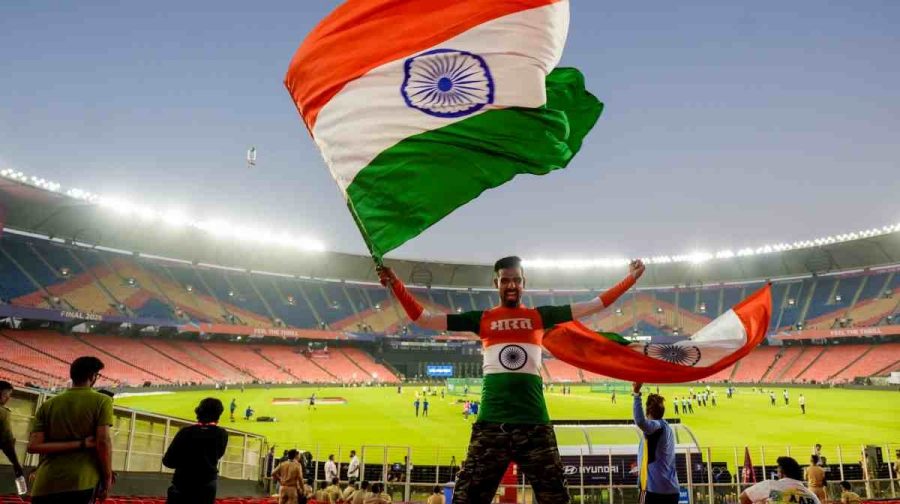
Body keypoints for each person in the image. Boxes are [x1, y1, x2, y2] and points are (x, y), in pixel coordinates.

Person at [379, 257, 645, 503]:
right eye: (505, 280)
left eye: (516, 279)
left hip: (535, 427)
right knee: (465, 499)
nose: (511, 285)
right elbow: (423, 319)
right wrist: (395, 283)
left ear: (524, 283)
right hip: (491, 427)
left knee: (557, 500)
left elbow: (596, 304)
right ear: (496, 283)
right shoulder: (481, 319)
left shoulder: (539, 316)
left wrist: (630, 278)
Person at [26, 356, 114, 504]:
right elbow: (103, 442)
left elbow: (33, 446)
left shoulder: (48, 404)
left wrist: (80, 444)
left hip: (44, 484)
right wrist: (107, 479)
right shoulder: (102, 401)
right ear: (93, 376)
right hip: (80, 482)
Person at [162, 398, 229, 504]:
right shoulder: (222, 434)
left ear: (198, 412)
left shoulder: (185, 432)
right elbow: (218, 455)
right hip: (208, 487)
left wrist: (185, 463)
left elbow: (168, 461)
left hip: (183, 484)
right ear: (218, 414)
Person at [632, 382, 679, 503]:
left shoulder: (655, 426)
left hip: (653, 490)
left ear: (648, 412)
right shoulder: (667, 428)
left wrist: (636, 393)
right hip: (672, 491)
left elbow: (640, 421)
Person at [740, 456, 820, 504]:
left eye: (777, 471)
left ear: (782, 473)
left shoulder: (771, 486)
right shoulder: (813, 497)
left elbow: (743, 497)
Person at [0, 381, 24, 486]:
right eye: (6, 395)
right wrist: (16, 464)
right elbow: (7, 442)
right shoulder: (3, 413)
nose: (8, 398)